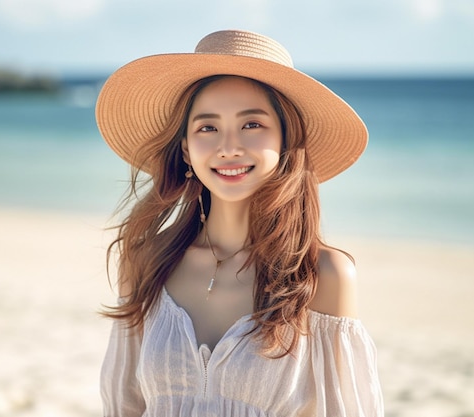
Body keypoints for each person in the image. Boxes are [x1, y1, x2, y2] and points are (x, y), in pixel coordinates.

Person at [96, 30, 384, 416]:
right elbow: (124, 406)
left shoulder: (322, 275)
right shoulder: (146, 261)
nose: (228, 146)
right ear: (186, 148)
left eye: (252, 125)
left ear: (286, 140)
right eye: (207, 127)